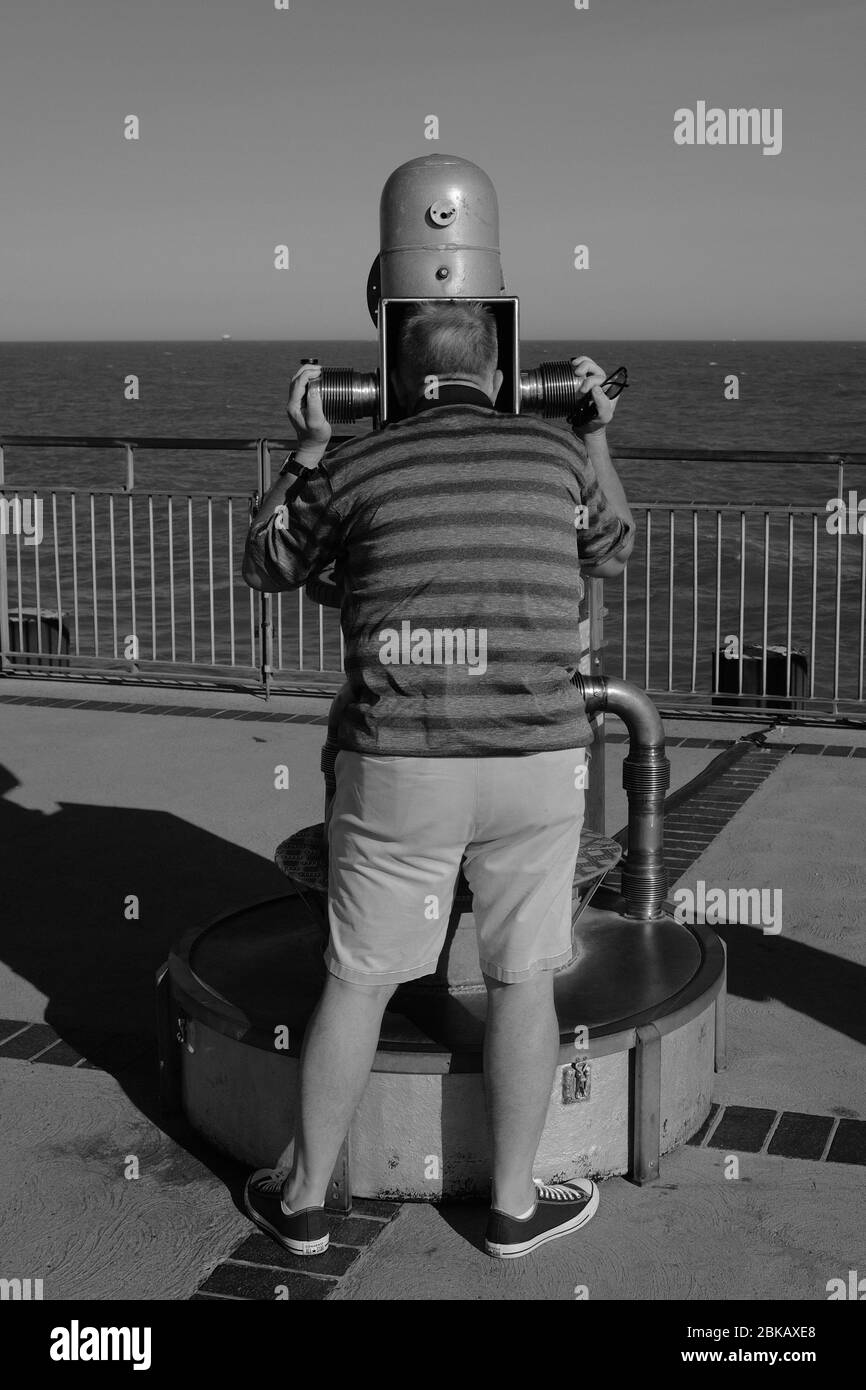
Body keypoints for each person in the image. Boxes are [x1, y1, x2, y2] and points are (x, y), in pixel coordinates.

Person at [242, 302, 635, 1259]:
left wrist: (305, 448)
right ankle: (509, 1207)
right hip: (536, 762)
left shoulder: (357, 466)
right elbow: (612, 545)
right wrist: (592, 435)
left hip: (399, 769)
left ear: (395, 381)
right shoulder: (552, 457)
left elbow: (268, 561)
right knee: (524, 980)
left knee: (355, 983)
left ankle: (301, 1201)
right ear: (500, 378)